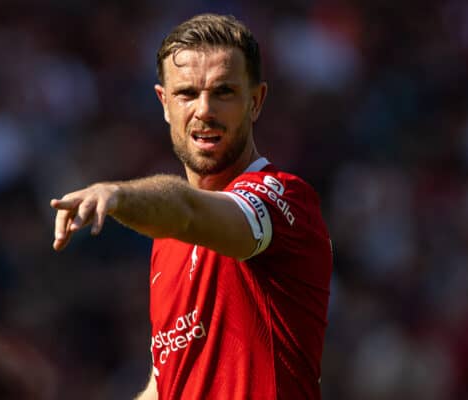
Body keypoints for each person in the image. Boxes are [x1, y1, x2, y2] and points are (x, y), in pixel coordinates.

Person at [50, 13, 332, 400]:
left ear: (256, 101)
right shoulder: (167, 240)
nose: (204, 110)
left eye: (224, 92)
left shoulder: (283, 198)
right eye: (186, 93)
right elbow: (166, 384)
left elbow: (188, 210)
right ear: (164, 103)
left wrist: (118, 193)